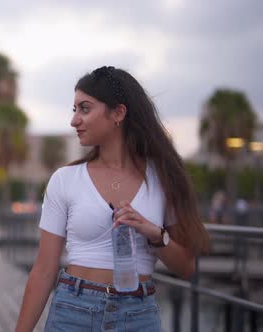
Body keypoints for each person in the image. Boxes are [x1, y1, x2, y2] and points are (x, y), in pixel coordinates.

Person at [15, 66, 209, 331]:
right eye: (75, 110)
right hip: (73, 311)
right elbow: (44, 270)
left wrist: (155, 234)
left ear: (118, 113)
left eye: (85, 108)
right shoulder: (65, 180)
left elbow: (187, 268)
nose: (74, 121)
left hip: (138, 316)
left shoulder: (164, 177)